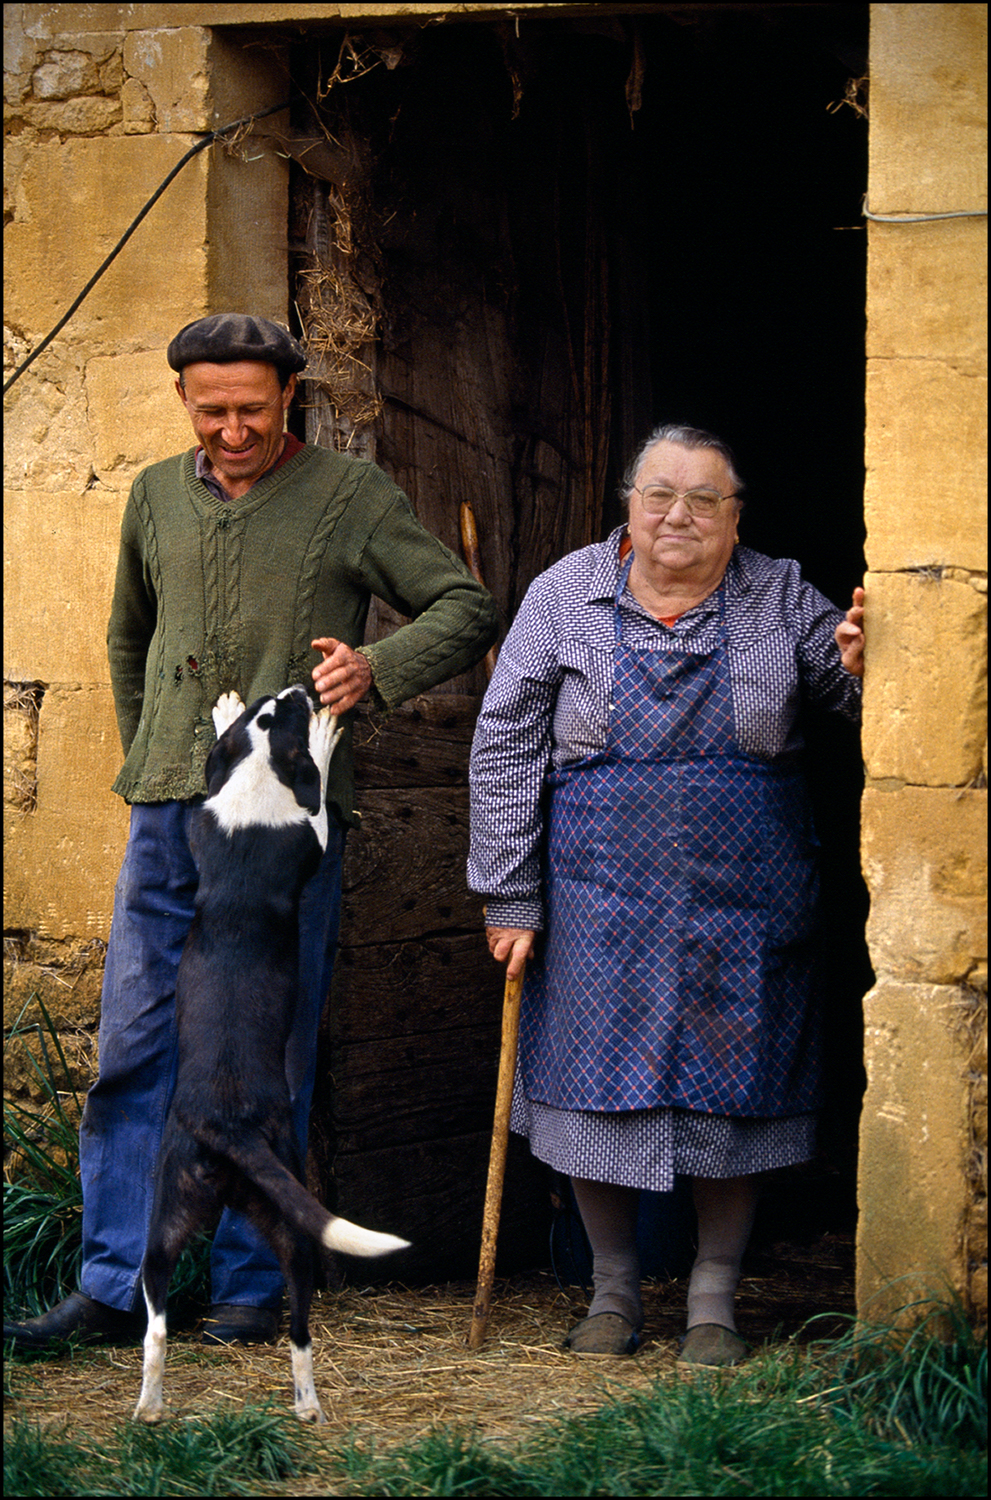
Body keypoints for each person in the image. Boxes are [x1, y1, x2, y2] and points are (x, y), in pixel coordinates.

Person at [5, 313, 499, 1350]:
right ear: (186, 401)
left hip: (283, 831)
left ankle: (247, 1286)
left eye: (253, 409)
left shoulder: (349, 497)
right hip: (168, 818)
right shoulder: (151, 495)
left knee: (265, 1053)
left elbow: (461, 605)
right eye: (212, 409)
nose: (233, 430)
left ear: (290, 399)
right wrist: (158, 764)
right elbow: (128, 636)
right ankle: (113, 1283)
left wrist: (374, 673)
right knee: (135, 1047)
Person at [468, 422, 865, 1365]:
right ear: (629, 506)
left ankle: (713, 1303)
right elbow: (506, 744)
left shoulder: (779, 594)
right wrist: (508, 894)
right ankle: (612, 1296)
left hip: (749, 896)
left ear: (736, 518)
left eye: (703, 500)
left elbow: (857, 706)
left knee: (737, 1095)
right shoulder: (564, 594)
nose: (677, 516)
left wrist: (856, 665)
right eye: (658, 496)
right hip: (598, 899)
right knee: (593, 1089)